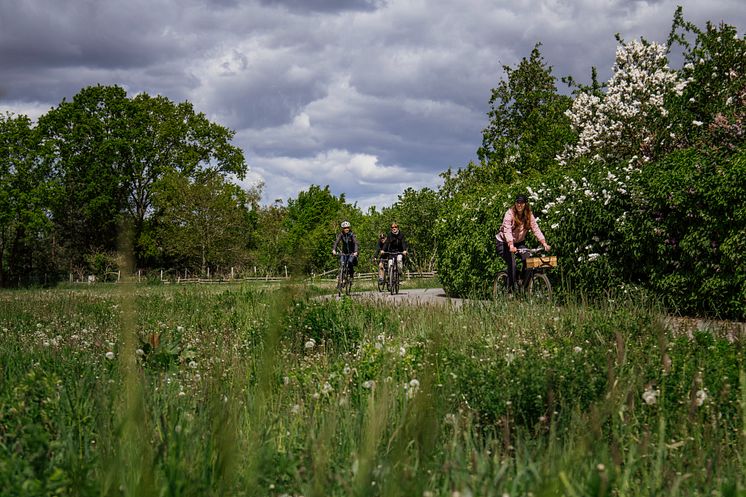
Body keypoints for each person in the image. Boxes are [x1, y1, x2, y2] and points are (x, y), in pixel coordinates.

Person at [495, 195, 551, 291]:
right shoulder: (509, 214)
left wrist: (544, 242)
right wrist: (511, 245)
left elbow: (535, 228)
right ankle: (510, 290)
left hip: (519, 242)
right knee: (512, 263)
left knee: (528, 259)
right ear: (515, 203)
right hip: (503, 243)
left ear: (525, 204)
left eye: (522, 203)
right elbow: (507, 230)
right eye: (517, 202)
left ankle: (522, 283)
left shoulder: (529, 215)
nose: (519, 205)